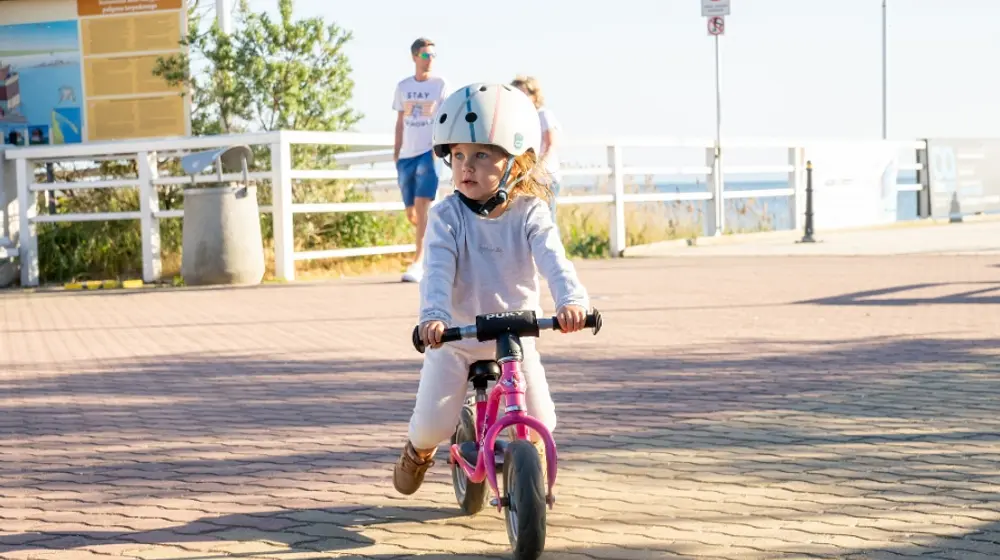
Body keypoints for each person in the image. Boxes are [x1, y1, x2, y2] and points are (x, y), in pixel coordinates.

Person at [392, 83, 591, 496]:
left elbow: (555, 260)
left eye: (482, 154)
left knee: (541, 420)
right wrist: (434, 318)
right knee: (433, 423)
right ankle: (419, 452)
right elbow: (438, 272)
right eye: (458, 155)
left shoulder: (530, 213)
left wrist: (572, 301)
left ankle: (526, 473)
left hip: (516, 338)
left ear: (516, 163)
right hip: (457, 338)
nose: (466, 166)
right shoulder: (447, 217)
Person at [393, 37, 450, 283]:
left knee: (421, 204)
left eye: (433, 56)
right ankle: (430, 245)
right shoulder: (403, 86)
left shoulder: (440, 85)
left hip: (430, 151)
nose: (430, 61)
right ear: (415, 56)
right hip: (407, 154)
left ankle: (419, 260)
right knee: (412, 211)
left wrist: (444, 149)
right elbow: (400, 121)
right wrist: (396, 153)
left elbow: (446, 118)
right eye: (426, 55)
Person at [511, 76, 562, 218]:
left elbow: (551, 144)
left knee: (547, 217)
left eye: (524, 92)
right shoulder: (521, 118)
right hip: (528, 177)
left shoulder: (543, 114)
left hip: (545, 178)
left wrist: (538, 168)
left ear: (534, 95)